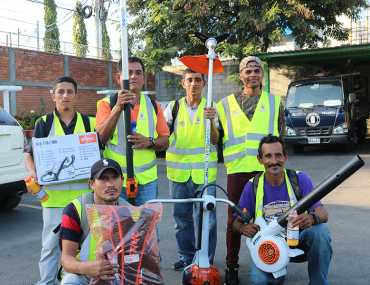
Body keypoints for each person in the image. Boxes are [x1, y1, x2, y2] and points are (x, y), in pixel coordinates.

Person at [216, 56, 286, 285]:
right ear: (241, 75)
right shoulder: (224, 104)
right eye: (248, 71)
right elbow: (216, 137)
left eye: (257, 70)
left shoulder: (275, 103)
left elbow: (281, 138)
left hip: (266, 171)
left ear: (262, 75)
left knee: (273, 217)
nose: (253, 74)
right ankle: (232, 266)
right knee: (234, 221)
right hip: (237, 171)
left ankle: (273, 259)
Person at [24, 76, 96, 285]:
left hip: (84, 197)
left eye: (70, 91)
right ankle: (46, 283)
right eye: (61, 91)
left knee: (88, 244)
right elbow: (30, 154)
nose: (65, 96)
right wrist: (32, 171)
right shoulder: (44, 123)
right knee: (50, 246)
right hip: (54, 200)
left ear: (76, 95)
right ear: (53, 95)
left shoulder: (88, 122)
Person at [233, 134, 333, 285]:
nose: (274, 161)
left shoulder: (299, 180)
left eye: (278, 155)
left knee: (320, 232)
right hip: (270, 248)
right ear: (260, 159)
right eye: (268, 156)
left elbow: (323, 213)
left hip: (298, 241)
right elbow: (236, 223)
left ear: (285, 157)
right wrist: (243, 228)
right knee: (259, 279)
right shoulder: (252, 186)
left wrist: (313, 218)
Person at [163, 68, 219, 270]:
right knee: (181, 219)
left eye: (197, 80)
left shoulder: (211, 107)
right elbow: (162, 135)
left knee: (208, 220)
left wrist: (211, 120)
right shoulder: (173, 108)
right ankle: (187, 257)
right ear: (183, 84)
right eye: (189, 80)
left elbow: (215, 140)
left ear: (204, 83)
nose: (193, 83)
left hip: (204, 174)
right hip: (178, 174)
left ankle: (205, 260)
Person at [95, 56, 169, 206]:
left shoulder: (154, 106)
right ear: (118, 77)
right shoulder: (106, 105)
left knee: (146, 226)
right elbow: (101, 138)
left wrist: (150, 142)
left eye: (138, 72)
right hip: (115, 181)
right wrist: (118, 108)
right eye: (129, 73)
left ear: (143, 78)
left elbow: (165, 141)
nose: (134, 76)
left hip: (147, 181)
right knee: (118, 227)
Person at [58, 158, 130, 285]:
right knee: (70, 281)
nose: (110, 184)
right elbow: (66, 258)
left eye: (115, 177)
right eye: (103, 179)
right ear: (91, 184)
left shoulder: (131, 212)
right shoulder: (75, 209)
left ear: (122, 180)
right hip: (86, 274)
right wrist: (87, 268)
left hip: (121, 275)